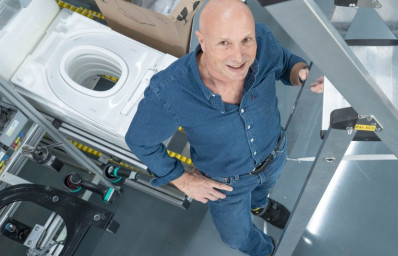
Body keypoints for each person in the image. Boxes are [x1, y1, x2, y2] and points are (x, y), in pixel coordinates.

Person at [125, 0, 322, 255]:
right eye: (224, 43)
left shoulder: (262, 40)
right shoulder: (171, 91)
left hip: (274, 152)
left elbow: (285, 64)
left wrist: (301, 74)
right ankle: (265, 251)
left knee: (264, 189)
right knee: (236, 238)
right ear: (202, 41)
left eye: (245, 40)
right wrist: (181, 179)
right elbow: (140, 141)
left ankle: (259, 206)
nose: (239, 57)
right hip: (228, 185)